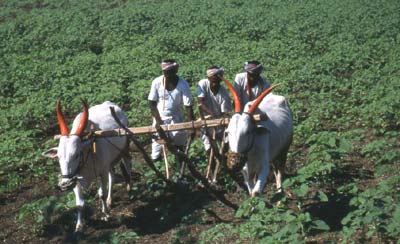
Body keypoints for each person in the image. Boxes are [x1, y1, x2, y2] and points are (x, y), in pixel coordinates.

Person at [148, 59, 195, 169]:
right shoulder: (157, 82)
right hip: (159, 118)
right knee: (156, 147)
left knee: (180, 144)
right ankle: (157, 171)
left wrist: (191, 126)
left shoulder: (183, 84)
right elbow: (152, 103)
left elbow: (188, 106)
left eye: (170, 73)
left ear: (175, 70)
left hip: (176, 118)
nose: (167, 75)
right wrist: (159, 121)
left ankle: (180, 168)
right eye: (165, 73)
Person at [197, 66, 232, 182]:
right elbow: (200, 104)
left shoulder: (224, 93)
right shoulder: (202, 84)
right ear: (209, 78)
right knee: (209, 149)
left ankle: (224, 170)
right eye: (215, 78)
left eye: (219, 78)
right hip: (206, 122)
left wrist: (218, 120)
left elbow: (224, 113)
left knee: (224, 148)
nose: (217, 80)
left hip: (220, 123)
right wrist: (211, 114)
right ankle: (212, 174)